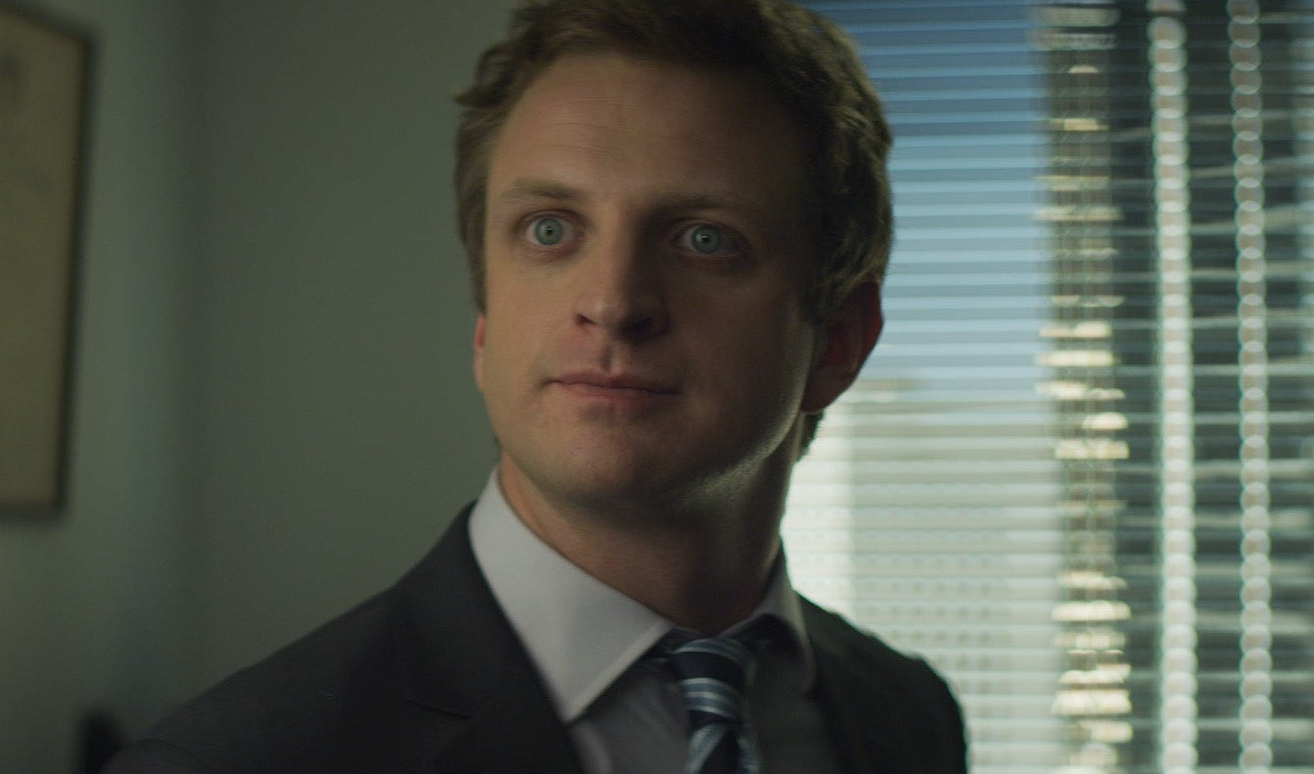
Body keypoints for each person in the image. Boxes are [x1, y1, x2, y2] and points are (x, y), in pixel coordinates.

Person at [103, 0, 967, 772]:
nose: (613, 302)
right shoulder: (236, 760)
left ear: (840, 342)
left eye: (704, 240)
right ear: (485, 322)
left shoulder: (907, 716)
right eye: (549, 230)